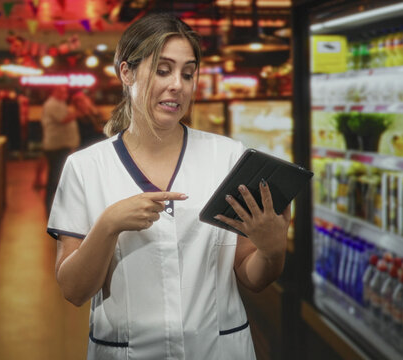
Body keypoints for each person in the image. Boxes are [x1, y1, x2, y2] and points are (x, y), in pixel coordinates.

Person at [47, 13, 289, 359]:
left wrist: (272, 250)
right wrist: (108, 225)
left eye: (188, 73)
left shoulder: (228, 157)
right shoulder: (86, 168)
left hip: (216, 349)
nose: (178, 84)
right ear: (126, 73)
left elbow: (252, 275)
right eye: (163, 70)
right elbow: (73, 290)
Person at [40, 85, 79, 214]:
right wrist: (78, 112)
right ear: (55, 91)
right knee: (54, 177)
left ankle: (54, 205)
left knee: (57, 176)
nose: (66, 94)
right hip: (56, 146)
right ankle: (50, 206)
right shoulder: (52, 104)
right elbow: (63, 119)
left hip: (61, 145)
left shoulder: (59, 103)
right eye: (63, 92)